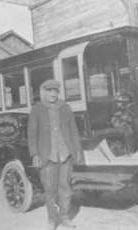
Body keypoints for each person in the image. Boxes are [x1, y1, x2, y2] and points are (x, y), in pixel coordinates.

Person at [27, 79, 84, 230]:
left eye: (55, 91)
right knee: (50, 190)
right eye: (49, 91)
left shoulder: (65, 108)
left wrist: (77, 151)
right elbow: (32, 134)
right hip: (47, 157)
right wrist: (35, 154)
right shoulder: (37, 109)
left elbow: (74, 131)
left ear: (58, 92)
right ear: (44, 93)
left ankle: (65, 217)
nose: (52, 94)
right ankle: (52, 220)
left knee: (65, 188)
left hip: (65, 155)